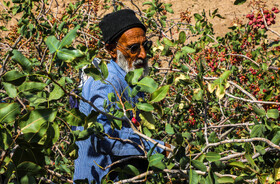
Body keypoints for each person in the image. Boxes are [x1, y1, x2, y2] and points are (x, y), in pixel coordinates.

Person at [73, 9, 166, 183]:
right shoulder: (105, 84)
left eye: (145, 45)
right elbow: (106, 138)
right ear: (111, 49)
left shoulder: (129, 77)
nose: (143, 55)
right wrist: (158, 148)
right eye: (133, 48)